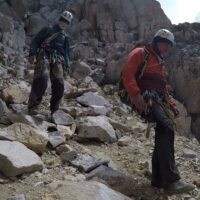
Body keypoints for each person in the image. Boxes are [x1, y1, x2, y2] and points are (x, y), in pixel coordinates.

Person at [122, 29, 195, 195]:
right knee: (166, 128)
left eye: (170, 46)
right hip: (144, 98)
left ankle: (158, 179)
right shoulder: (141, 52)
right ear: (157, 41)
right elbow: (127, 72)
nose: (168, 48)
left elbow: (162, 89)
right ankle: (171, 181)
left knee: (163, 131)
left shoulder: (159, 63)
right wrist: (135, 95)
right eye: (166, 44)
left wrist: (171, 105)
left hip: (156, 99)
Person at [28, 11, 73, 115]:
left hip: (58, 59)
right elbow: (36, 41)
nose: (64, 23)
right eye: (63, 20)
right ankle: (33, 106)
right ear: (59, 19)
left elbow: (66, 53)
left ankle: (55, 109)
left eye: (66, 22)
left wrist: (67, 64)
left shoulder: (65, 37)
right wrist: (32, 53)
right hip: (44, 54)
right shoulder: (47, 30)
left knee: (60, 84)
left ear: (68, 24)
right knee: (42, 78)